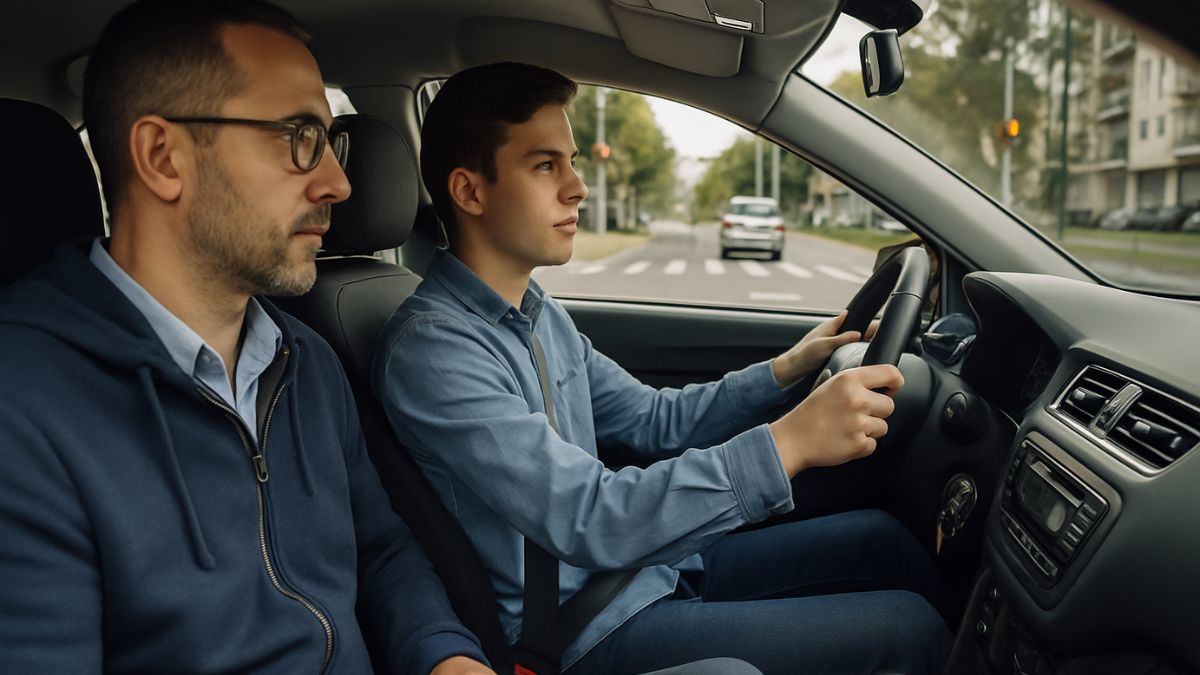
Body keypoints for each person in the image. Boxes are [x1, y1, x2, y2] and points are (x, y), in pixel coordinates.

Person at [373, 62, 954, 675]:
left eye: (572, 162)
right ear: (470, 191)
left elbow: (653, 418)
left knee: (880, 539)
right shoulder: (434, 351)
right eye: (545, 165)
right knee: (906, 631)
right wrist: (790, 442)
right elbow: (586, 515)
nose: (577, 187)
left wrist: (785, 370)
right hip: (583, 630)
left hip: (645, 569)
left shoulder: (538, 313)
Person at [0, 1, 493, 673]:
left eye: (330, 140)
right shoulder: (22, 404)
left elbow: (380, 548)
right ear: (162, 157)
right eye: (299, 137)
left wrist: (446, 656)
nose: (339, 182)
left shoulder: (307, 361)